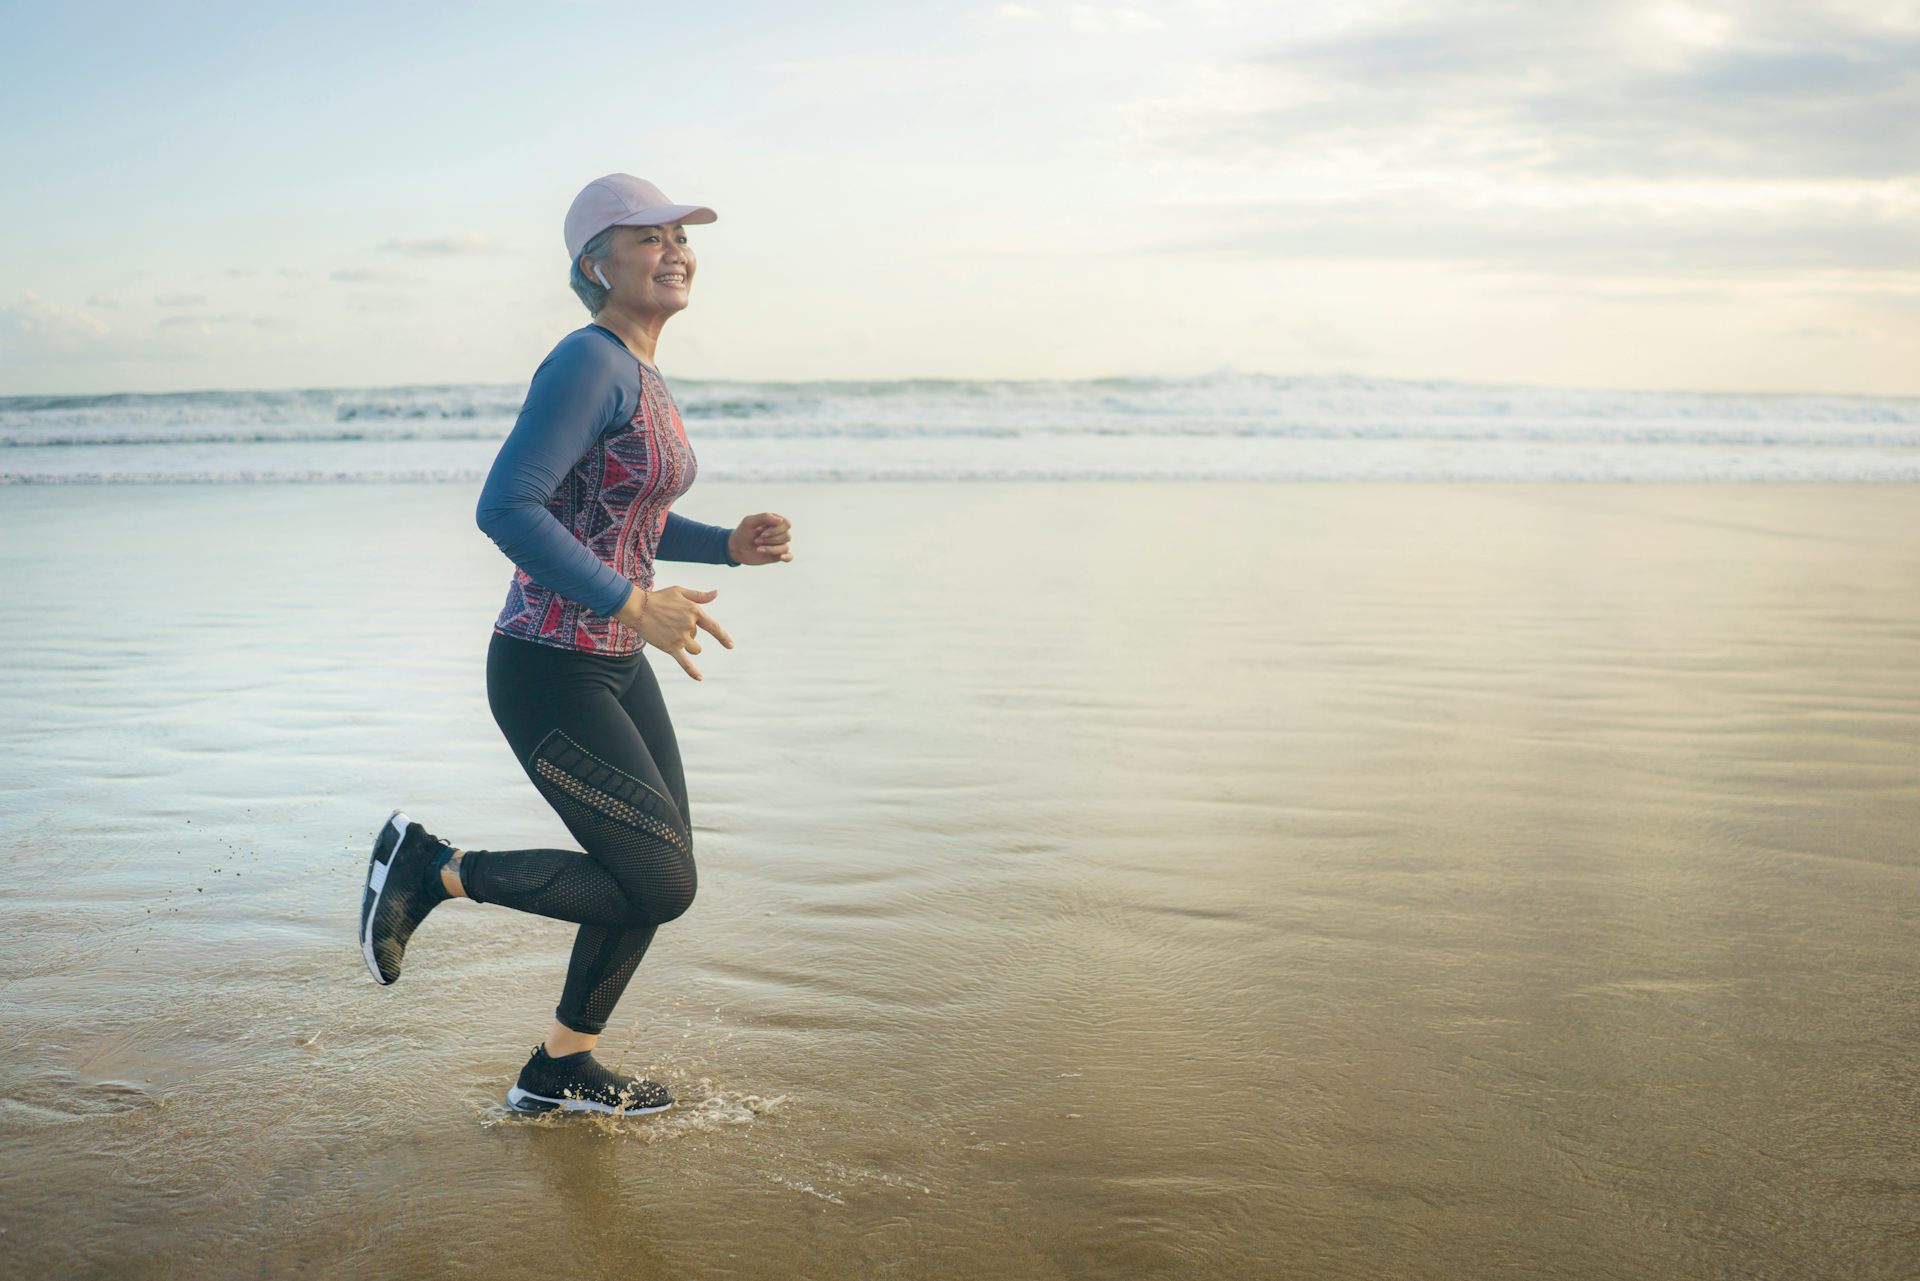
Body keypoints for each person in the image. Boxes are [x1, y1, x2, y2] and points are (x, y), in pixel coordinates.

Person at [356, 173, 794, 1117]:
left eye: (682, 236)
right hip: (548, 667)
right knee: (659, 878)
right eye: (648, 237)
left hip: (611, 664)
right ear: (595, 263)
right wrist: (636, 604)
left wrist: (724, 547)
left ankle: (560, 1067)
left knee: (652, 869)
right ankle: (430, 867)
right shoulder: (587, 362)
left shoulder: (639, 369)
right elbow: (506, 508)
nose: (675, 250)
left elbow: (619, 516)